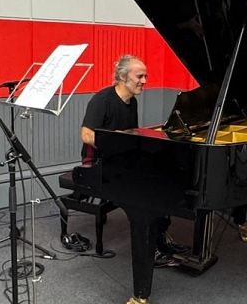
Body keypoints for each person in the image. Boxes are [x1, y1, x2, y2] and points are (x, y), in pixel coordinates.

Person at [79, 54, 187, 269]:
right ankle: (151, 248)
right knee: (148, 189)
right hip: (100, 162)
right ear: (122, 76)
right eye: (140, 76)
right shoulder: (102, 100)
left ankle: (159, 236)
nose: (144, 81)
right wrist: (115, 143)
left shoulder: (132, 102)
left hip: (123, 160)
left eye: (146, 76)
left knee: (164, 177)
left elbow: (131, 135)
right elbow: (86, 135)